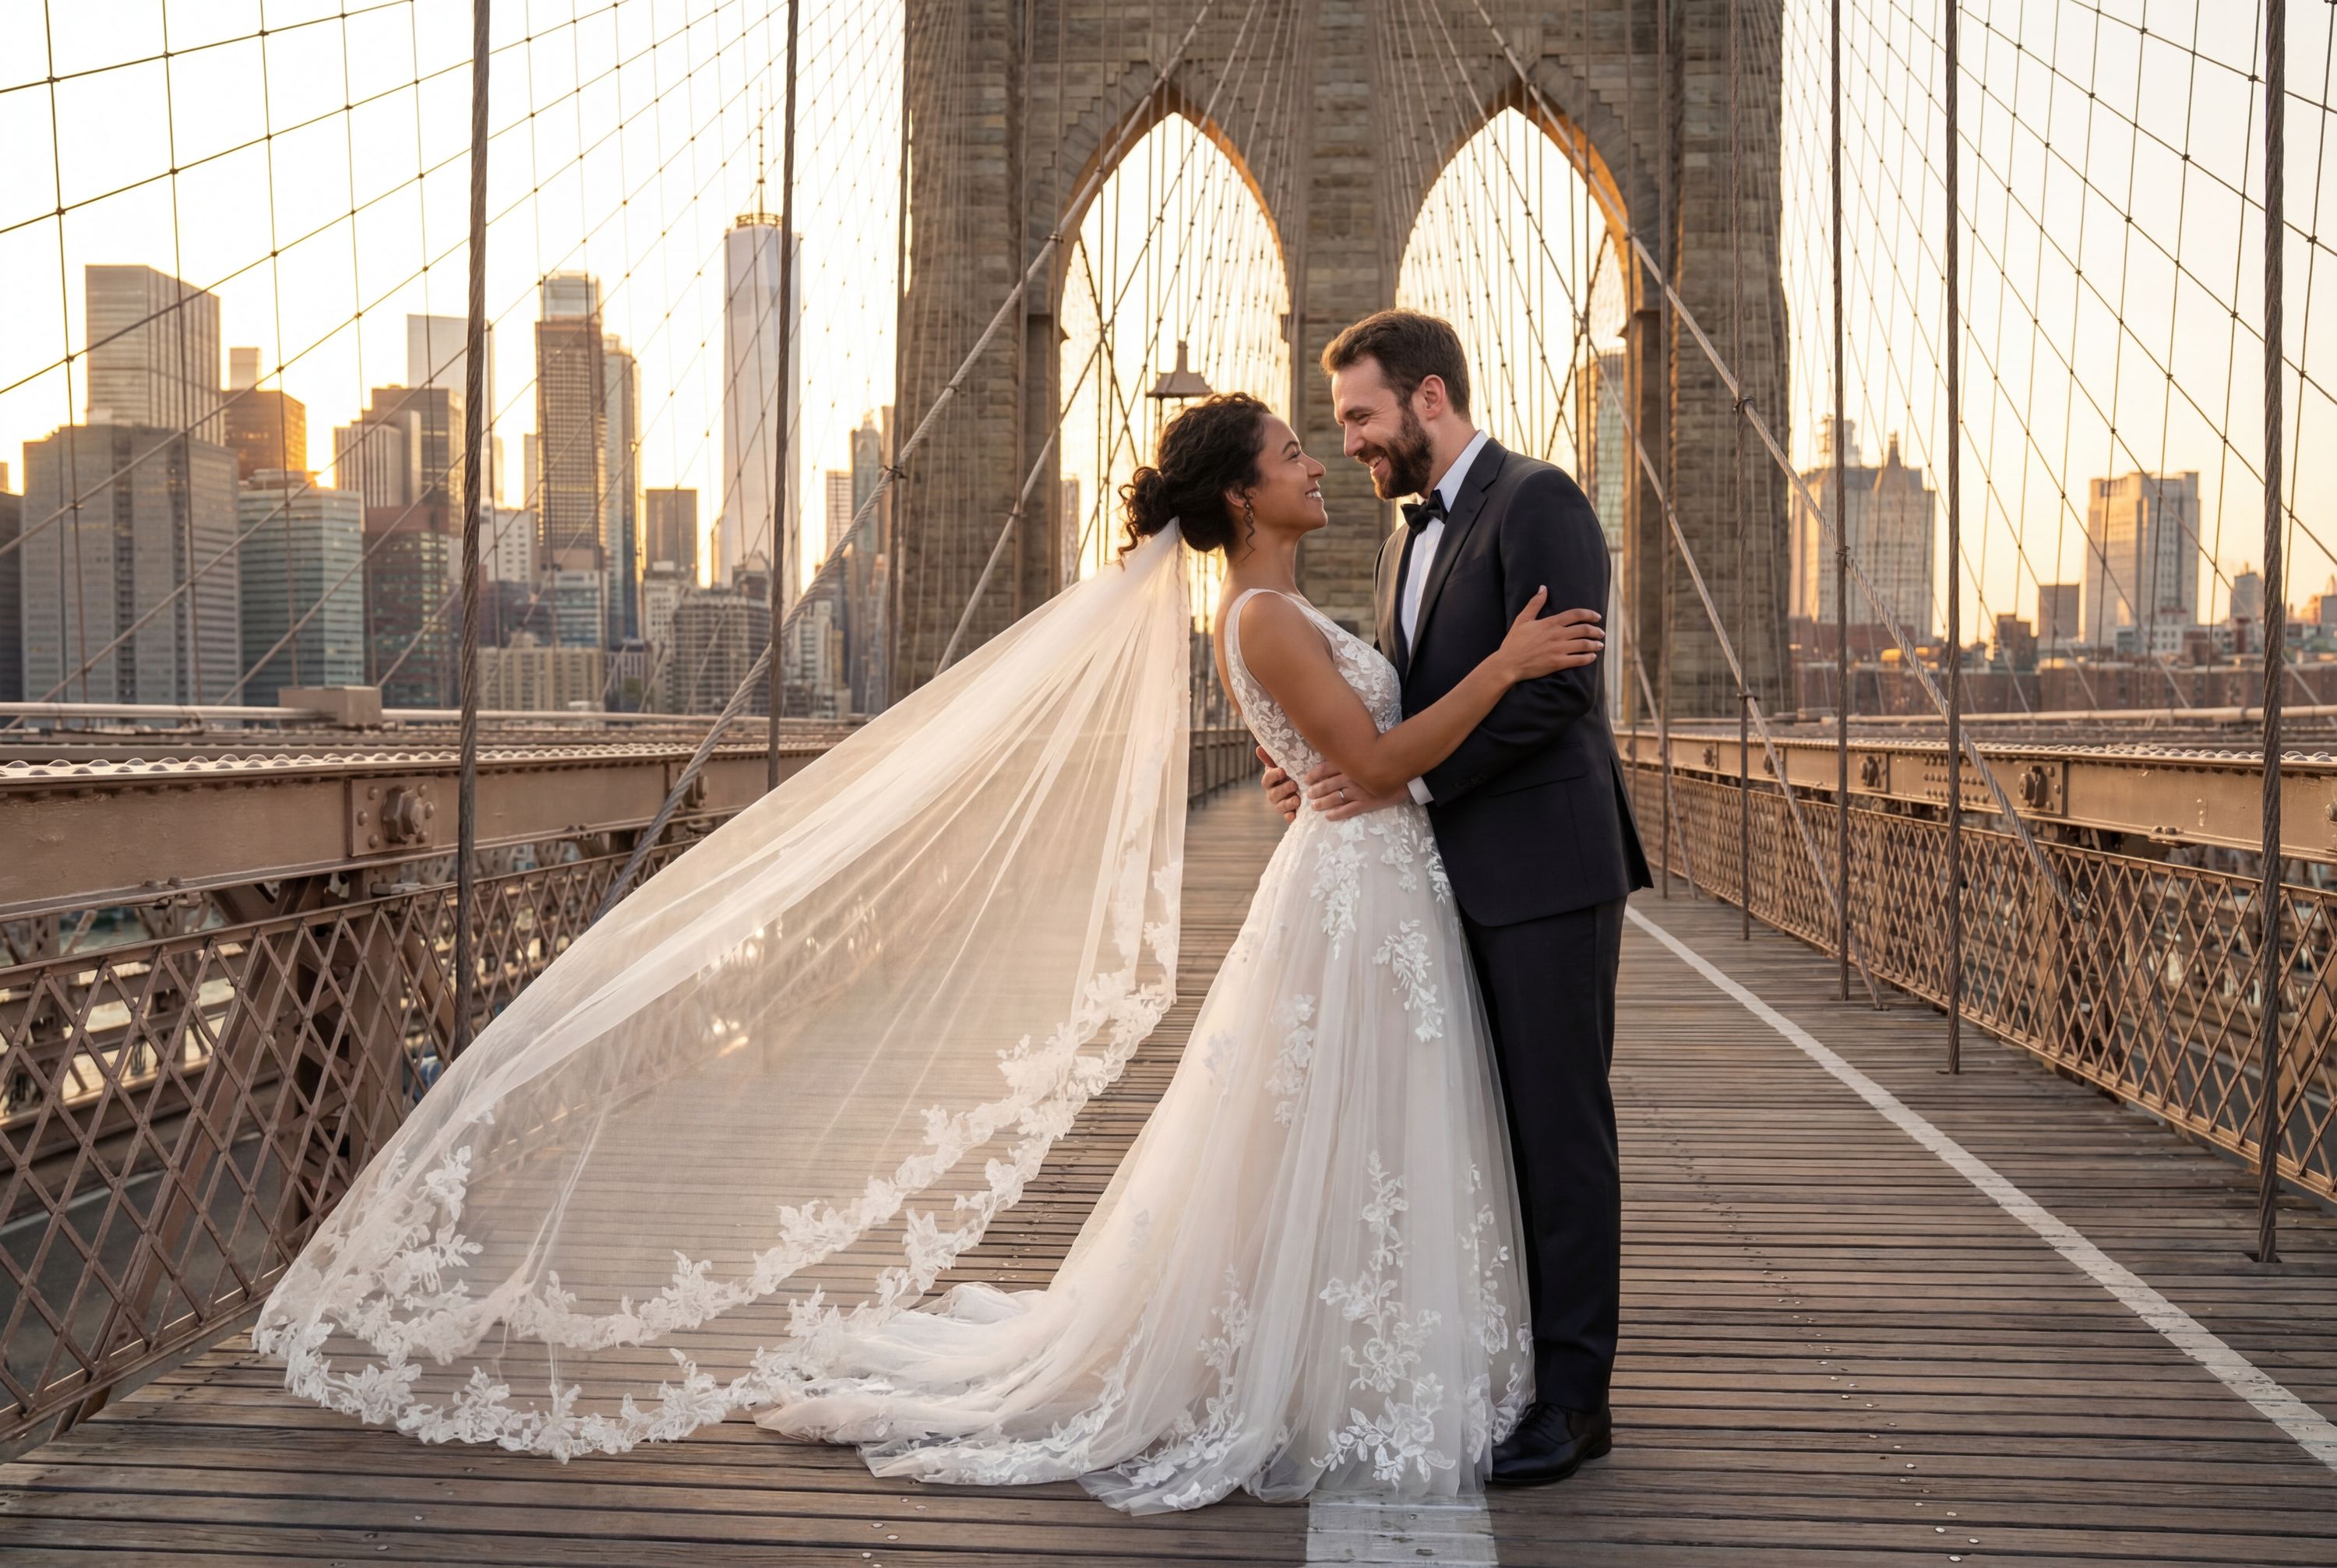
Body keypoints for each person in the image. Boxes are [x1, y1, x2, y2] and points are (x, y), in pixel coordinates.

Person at [1264, 309, 1651, 1486]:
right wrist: (1325, 766)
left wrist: (1406, 782)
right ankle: (1511, 1370)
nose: (1350, 444)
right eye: (1339, 427)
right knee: (1486, 1133)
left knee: (1559, 1131)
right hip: (1439, 882)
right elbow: (1403, 705)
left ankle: (1576, 1403)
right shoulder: (1403, 542)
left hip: (1544, 872)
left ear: (1429, 397)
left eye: (1362, 417)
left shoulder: (1541, 501)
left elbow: (1558, 688)